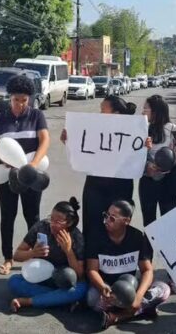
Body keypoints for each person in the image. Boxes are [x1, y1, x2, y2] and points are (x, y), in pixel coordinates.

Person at [0, 75, 51, 276]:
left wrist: (32, 165)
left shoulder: (36, 116)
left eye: (24, 100)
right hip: (7, 174)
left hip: (31, 174)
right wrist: (4, 158)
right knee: (7, 216)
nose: (20, 104)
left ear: (30, 99)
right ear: (10, 98)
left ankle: (35, 256)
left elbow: (45, 141)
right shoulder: (1, 117)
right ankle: (8, 258)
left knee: (32, 216)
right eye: (16, 99)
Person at [61, 95, 137, 242]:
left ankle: (114, 259)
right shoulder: (93, 129)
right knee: (92, 222)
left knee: (116, 224)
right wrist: (69, 141)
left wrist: (145, 147)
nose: (99, 114)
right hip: (95, 184)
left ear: (116, 114)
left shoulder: (133, 131)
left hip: (121, 186)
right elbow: (83, 153)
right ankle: (92, 259)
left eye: (103, 110)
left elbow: (137, 157)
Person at [85, 201, 170, 329]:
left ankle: (116, 316)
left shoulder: (136, 237)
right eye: (106, 215)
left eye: (112, 218)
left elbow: (147, 270)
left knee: (163, 289)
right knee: (92, 298)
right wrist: (102, 287)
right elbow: (92, 270)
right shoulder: (96, 236)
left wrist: (138, 296)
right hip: (107, 289)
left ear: (126, 221)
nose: (107, 220)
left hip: (131, 289)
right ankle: (139, 311)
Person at [8, 197, 88, 312]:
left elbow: (80, 275)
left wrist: (68, 250)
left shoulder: (76, 237)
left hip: (64, 281)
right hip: (41, 279)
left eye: (58, 221)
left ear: (69, 223)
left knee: (82, 288)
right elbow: (16, 255)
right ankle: (60, 299)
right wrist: (32, 253)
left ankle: (27, 301)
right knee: (14, 281)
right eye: (51, 219)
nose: (52, 224)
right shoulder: (41, 227)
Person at [139, 94, 176, 227]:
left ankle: (167, 248)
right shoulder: (141, 130)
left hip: (169, 184)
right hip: (148, 182)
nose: (142, 112)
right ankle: (148, 248)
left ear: (156, 111)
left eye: (145, 108)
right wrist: (147, 164)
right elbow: (133, 157)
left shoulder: (174, 130)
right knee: (149, 224)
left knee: (169, 222)